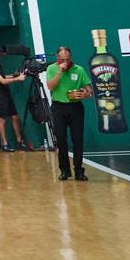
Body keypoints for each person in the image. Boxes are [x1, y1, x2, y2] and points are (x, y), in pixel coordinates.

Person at [43, 46, 92, 181]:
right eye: (62, 58)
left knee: (78, 139)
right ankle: (65, 170)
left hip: (75, 107)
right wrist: (59, 71)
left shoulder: (79, 69)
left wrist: (85, 94)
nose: (65, 61)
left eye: (67, 58)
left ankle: (79, 170)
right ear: (57, 58)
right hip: (59, 107)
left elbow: (90, 91)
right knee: (61, 139)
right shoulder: (52, 68)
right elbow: (50, 86)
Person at [0, 50, 27, 152]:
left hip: (6, 95)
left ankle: (19, 142)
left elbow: (3, 77)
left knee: (15, 117)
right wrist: (17, 79)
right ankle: (5, 144)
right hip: (0, 97)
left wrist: (14, 75)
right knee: (2, 120)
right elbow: (2, 81)